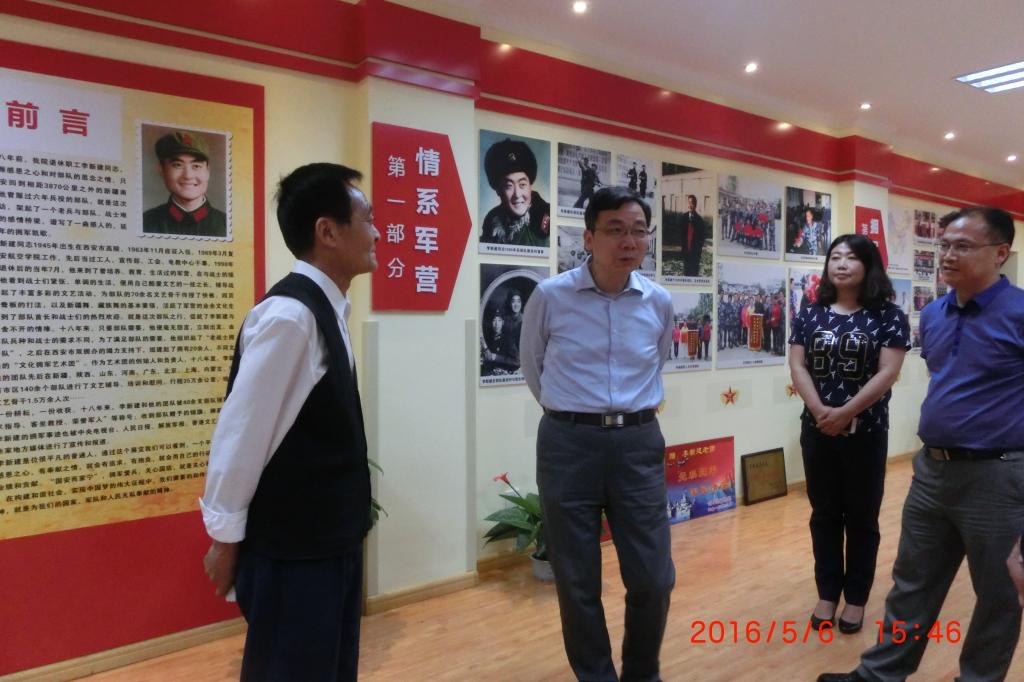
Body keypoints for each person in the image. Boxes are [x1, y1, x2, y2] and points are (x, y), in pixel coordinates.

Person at [818, 207, 1024, 682]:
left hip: (999, 477)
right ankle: (880, 674)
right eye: (944, 245)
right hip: (932, 471)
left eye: (962, 246)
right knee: (912, 581)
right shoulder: (932, 314)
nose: (947, 255)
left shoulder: (1019, 313)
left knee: (998, 594)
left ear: (1000, 253)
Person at [200, 163, 379, 681]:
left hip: (328, 543)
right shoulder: (291, 317)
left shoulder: (327, 310)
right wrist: (225, 540)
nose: (376, 233)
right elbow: (242, 435)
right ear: (328, 232)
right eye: (367, 219)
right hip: (297, 552)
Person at [520, 186, 675, 682]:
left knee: (653, 578)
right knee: (577, 580)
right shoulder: (551, 296)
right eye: (615, 230)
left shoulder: (658, 301)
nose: (629, 241)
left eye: (638, 231)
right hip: (569, 444)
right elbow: (534, 367)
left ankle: (641, 674)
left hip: (637, 443)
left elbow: (657, 361)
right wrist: (573, 414)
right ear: (588, 237)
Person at [790, 234, 909, 639]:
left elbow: (887, 373)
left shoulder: (888, 316)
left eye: (851, 257)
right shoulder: (810, 313)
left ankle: (856, 597)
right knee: (824, 515)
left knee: (861, 518)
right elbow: (798, 366)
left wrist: (845, 412)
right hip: (817, 431)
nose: (841, 264)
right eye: (835, 257)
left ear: (868, 265)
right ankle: (827, 594)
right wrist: (821, 412)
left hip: (866, 434)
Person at [143, 130, 227, 237]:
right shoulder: (146, 222)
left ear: (208, 171)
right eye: (177, 165)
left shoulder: (227, 224)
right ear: (161, 170)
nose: (188, 176)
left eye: (196, 166)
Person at [481, 138, 551, 246]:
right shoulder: (491, 221)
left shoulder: (545, 219)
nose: (517, 194)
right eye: (509, 186)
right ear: (498, 190)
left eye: (522, 184)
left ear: (530, 185)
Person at [678, 194, 707, 277]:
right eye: (689, 203)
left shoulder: (699, 220)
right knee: (686, 273)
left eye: (692, 203)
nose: (690, 205)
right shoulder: (684, 217)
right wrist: (683, 247)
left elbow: (702, 238)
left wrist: (698, 250)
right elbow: (681, 234)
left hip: (695, 253)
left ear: (695, 205)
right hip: (686, 251)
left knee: (694, 273)